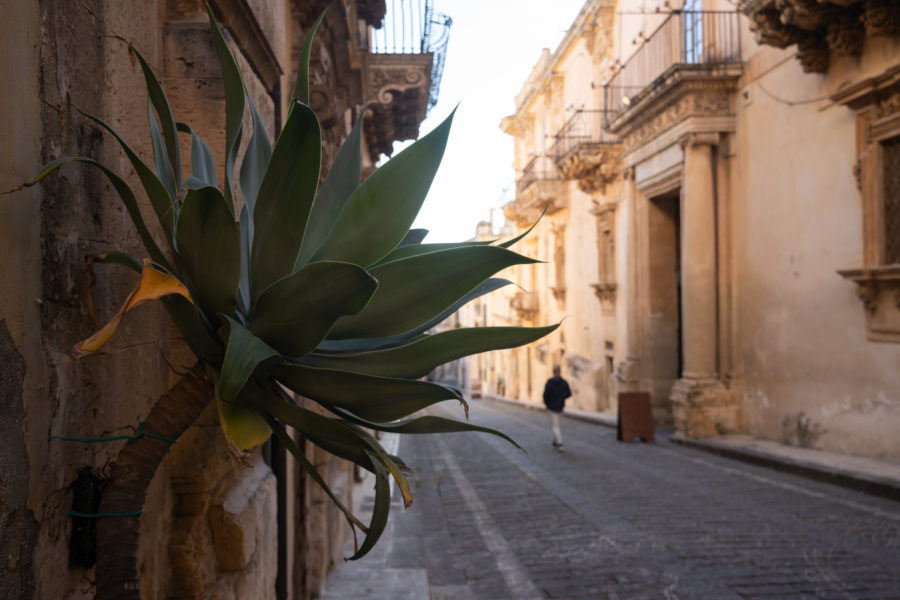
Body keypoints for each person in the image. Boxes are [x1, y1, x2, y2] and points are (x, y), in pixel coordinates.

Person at [542, 365, 571, 452]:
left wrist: (547, 404)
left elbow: (545, 396)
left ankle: (559, 444)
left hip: (551, 408)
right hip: (560, 407)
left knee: (555, 426)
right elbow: (569, 394)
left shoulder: (549, 382)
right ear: (559, 371)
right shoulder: (564, 382)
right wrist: (562, 398)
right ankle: (555, 442)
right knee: (557, 426)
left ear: (553, 372)